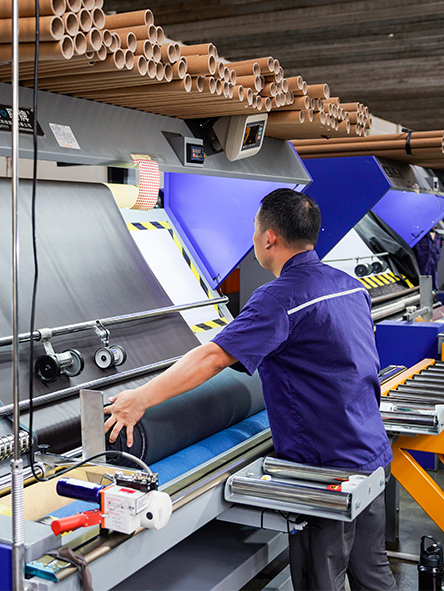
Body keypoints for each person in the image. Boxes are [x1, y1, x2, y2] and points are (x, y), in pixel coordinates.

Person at [104, 189, 396, 591]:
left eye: (255, 230)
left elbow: (212, 358)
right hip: (371, 451)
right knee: (373, 575)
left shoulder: (280, 298)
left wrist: (139, 399)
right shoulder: (350, 285)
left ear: (269, 238)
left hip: (326, 469)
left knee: (320, 580)